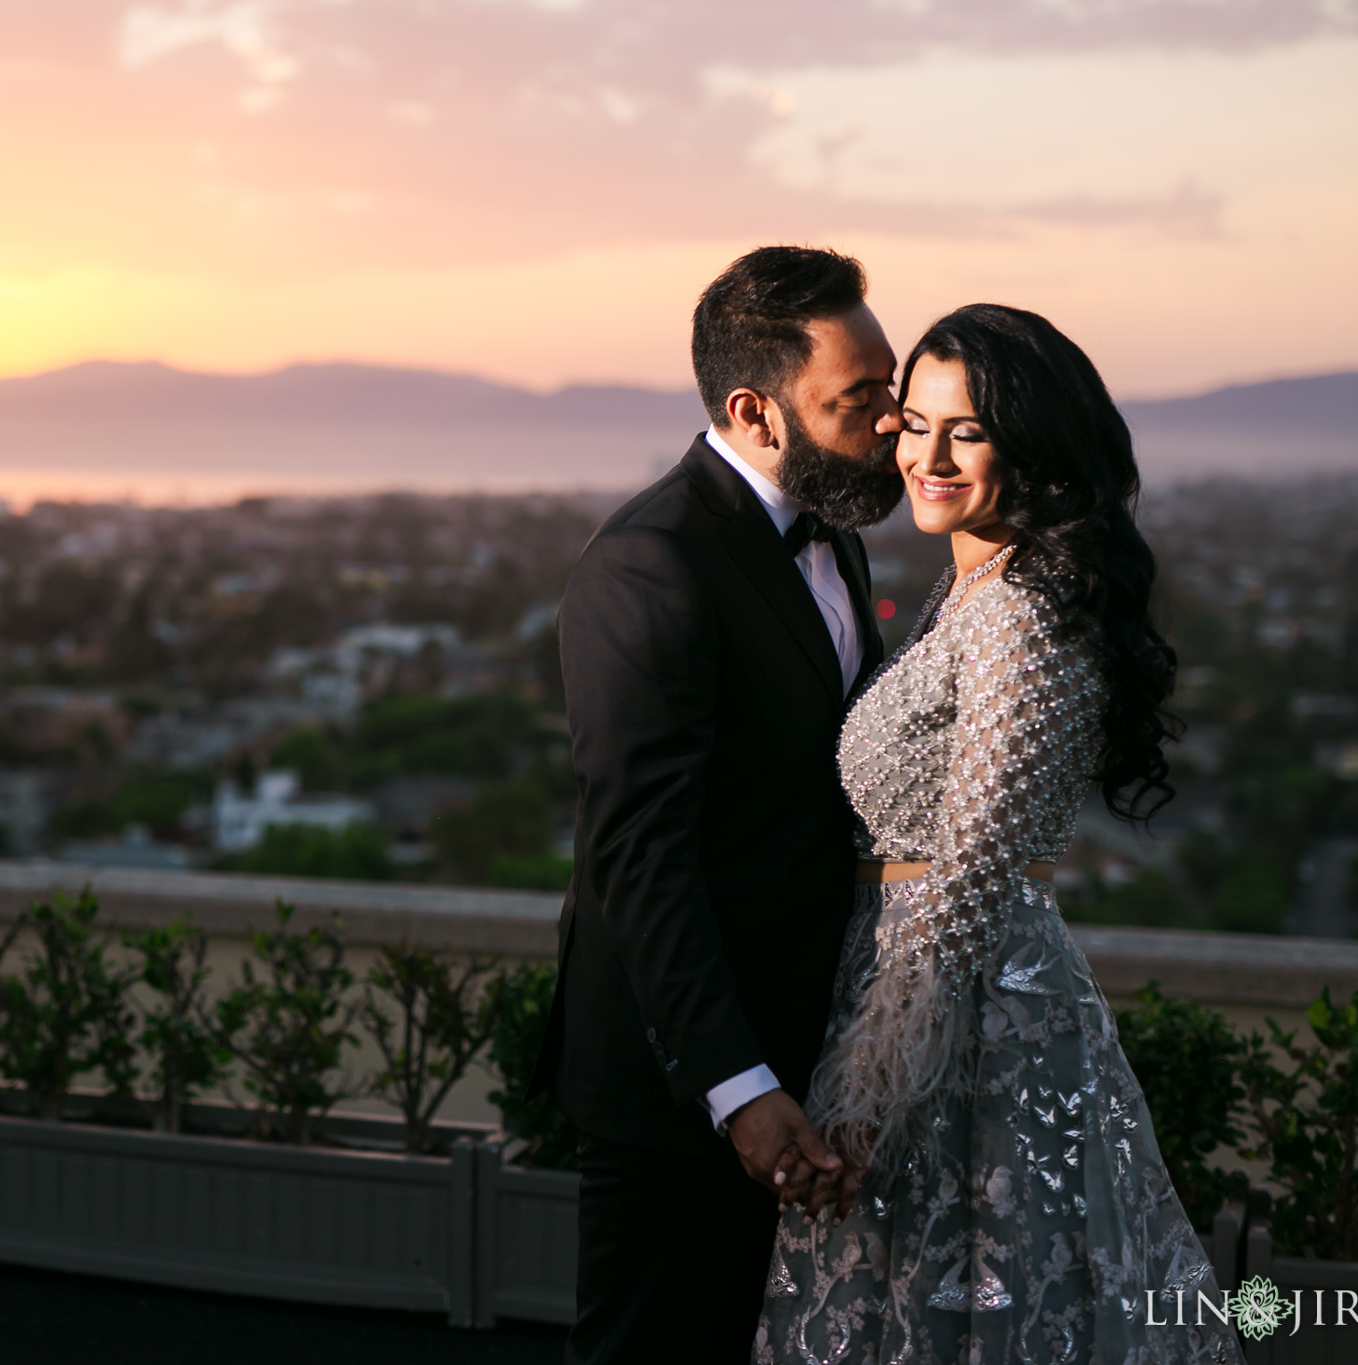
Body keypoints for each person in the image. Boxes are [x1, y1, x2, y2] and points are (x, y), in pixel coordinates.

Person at [754, 304, 1242, 1363]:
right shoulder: (968, 586)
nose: (924, 455)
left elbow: (971, 875)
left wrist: (863, 1104)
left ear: (1030, 444)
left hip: (968, 1025)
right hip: (915, 994)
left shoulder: (1025, 606)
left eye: (964, 431)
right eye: (911, 423)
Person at [531, 245, 907, 1364]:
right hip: (679, 1072)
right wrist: (737, 1087)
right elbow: (637, 858)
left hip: (802, 1050)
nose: (889, 424)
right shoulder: (648, 567)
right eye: (858, 401)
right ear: (754, 410)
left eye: (889, 391)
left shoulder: (829, 524)